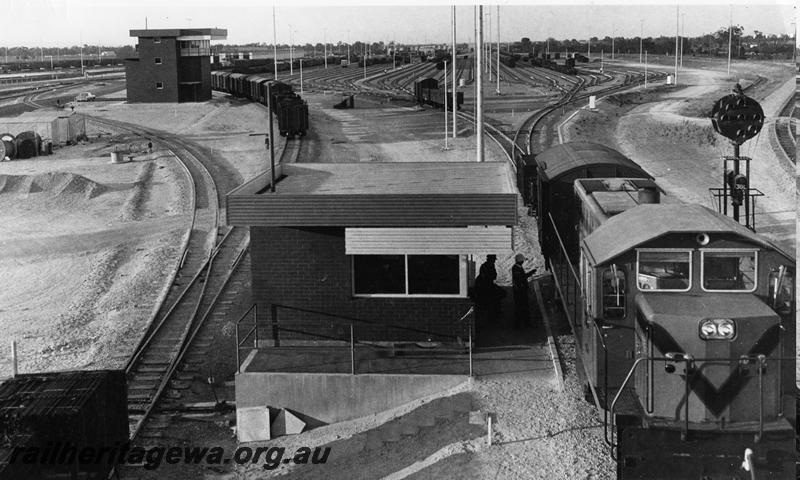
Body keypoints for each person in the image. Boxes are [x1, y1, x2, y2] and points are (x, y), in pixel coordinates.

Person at [474, 255, 503, 326]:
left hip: (486, 286)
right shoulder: (487, 266)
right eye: (493, 260)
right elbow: (490, 276)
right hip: (484, 287)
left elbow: (494, 275)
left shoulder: (488, 265)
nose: (494, 261)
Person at [512, 253, 537, 329]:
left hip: (520, 291)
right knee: (522, 308)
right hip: (520, 292)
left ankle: (523, 324)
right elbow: (521, 278)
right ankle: (523, 325)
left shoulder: (517, 268)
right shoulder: (516, 269)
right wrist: (530, 273)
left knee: (522, 308)